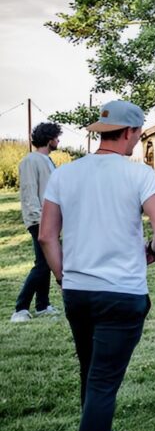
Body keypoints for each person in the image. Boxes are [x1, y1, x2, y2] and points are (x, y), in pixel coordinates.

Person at [38, 100, 155, 431]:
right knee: (102, 384)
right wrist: (152, 251)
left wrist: (62, 276)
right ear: (130, 133)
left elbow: (47, 236)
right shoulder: (138, 173)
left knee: (90, 370)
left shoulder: (65, 173)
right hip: (122, 293)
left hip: (79, 292)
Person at [11, 121, 62, 323]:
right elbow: (29, 191)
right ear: (49, 139)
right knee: (43, 263)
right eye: (56, 137)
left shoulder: (48, 160)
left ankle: (42, 305)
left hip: (50, 219)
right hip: (39, 219)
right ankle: (20, 308)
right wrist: (40, 218)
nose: (58, 141)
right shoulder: (31, 161)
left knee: (46, 262)